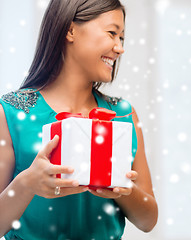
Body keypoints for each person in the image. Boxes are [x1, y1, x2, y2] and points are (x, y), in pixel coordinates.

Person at [0, 0, 158, 239]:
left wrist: (124, 190)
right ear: (71, 30)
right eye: (112, 33)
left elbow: (148, 221)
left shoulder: (124, 114)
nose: (119, 47)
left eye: (122, 38)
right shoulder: (11, 112)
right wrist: (27, 183)